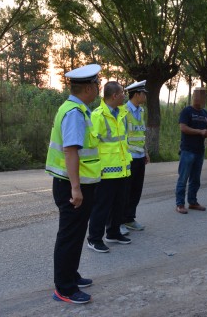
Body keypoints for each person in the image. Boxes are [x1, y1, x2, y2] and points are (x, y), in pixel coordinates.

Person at [45, 64, 102, 304]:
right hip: (72, 186)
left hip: (77, 184)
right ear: (88, 88)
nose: (99, 88)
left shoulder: (78, 109)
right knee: (69, 235)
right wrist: (76, 188)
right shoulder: (75, 113)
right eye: (97, 85)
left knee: (77, 233)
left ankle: (72, 275)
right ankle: (64, 288)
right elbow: (70, 152)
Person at [86, 82, 133, 253]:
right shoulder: (98, 116)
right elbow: (91, 145)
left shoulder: (121, 113)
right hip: (105, 172)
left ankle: (113, 233)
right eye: (122, 93)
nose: (124, 96)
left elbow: (122, 141)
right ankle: (94, 238)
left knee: (119, 204)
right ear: (114, 96)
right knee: (101, 207)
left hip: (122, 169)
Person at [175, 87, 207, 214]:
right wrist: (200, 132)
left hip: (199, 151)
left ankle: (193, 202)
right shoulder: (187, 111)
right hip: (187, 150)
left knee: (195, 179)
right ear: (193, 97)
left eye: (203, 96)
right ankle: (180, 204)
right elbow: (183, 128)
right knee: (183, 178)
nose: (200, 99)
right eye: (198, 96)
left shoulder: (205, 113)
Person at [122, 80, 150, 233]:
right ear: (137, 94)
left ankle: (129, 219)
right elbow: (122, 135)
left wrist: (145, 152)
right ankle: (120, 220)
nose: (145, 96)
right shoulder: (123, 111)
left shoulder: (141, 111)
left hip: (139, 156)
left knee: (136, 190)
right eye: (144, 93)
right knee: (125, 191)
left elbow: (141, 134)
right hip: (128, 157)